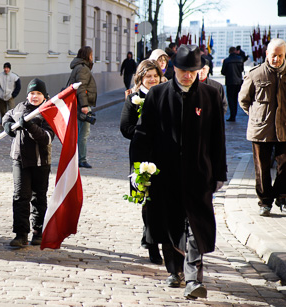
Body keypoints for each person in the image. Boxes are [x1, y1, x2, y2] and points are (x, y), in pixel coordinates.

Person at [131, 45, 227, 299]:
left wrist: (219, 172)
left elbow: (218, 137)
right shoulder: (158, 95)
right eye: (183, 71)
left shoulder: (210, 95)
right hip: (166, 173)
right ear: (174, 69)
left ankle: (194, 279)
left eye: (193, 71)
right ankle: (175, 271)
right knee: (169, 223)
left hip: (199, 173)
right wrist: (138, 172)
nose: (188, 76)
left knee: (196, 225)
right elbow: (142, 136)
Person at [2, 78, 55, 247]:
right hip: (19, 160)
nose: (35, 96)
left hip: (41, 161)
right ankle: (21, 234)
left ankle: (38, 231)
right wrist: (7, 125)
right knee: (20, 197)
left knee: (38, 198)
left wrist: (30, 125)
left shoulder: (49, 111)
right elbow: (7, 116)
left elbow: (46, 138)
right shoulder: (19, 108)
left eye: (38, 93)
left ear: (44, 96)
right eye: (32, 93)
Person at [120, 59, 163, 265]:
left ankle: (151, 236)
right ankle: (152, 244)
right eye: (148, 76)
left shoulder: (167, 95)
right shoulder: (133, 98)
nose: (152, 79)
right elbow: (125, 127)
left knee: (161, 200)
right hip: (142, 156)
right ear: (141, 78)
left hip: (164, 155)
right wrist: (144, 132)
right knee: (147, 200)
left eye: (155, 76)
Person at [238, 38, 286, 216]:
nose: (277, 59)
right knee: (262, 167)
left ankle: (282, 196)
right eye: (274, 55)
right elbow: (244, 100)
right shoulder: (255, 74)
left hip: (284, 128)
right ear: (267, 54)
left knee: (284, 165)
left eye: (280, 56)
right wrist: (256, 116)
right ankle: (265, 202)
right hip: (261, 129)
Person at [67, 46, 97, 168]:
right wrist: (84, 106)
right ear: (87, 55)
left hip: (78, 104)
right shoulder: (83, 69)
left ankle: (76, 158)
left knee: (79, 133)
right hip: (81, 105)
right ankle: (81, 159)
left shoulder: (79, 67)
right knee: (83, 134)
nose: (92, 57)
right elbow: (81, 87)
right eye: (91, 54)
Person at [221, 46, 244, 121]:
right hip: (238, 82)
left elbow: (223, 72)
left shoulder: (227, 60)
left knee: (230, 98)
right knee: (236, 98)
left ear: (229, 52)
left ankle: (232, 115)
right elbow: (242, 70)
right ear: (235, 51)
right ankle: (234, 114)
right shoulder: (240, 59)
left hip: (230, 82)